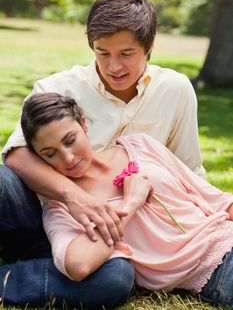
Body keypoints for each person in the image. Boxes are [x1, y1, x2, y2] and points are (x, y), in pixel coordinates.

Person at [0, 0, 204, 307]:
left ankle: (17, 277)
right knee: (2, 179)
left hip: (107, 242)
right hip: (46, 220)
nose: (114, 67)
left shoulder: (175, 91)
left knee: (115, 280)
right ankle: (41, 258)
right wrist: (74, 196)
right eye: (102, 52)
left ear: (149, 47)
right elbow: (17, 155)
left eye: (126, 54)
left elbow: (188, 169)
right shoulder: (56, 88)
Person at [20, 92, 233, 310]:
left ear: (83, 124)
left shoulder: (139, 145)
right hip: (216, 271)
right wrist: (131, 203)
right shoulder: (62, 207)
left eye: (70, 141)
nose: (68, 158)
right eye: (49, 153)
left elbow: (217, 199)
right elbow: (78, 265)